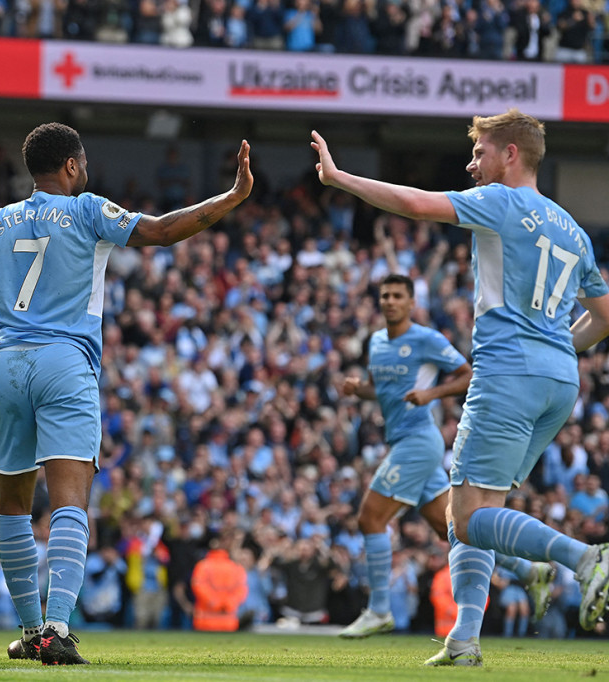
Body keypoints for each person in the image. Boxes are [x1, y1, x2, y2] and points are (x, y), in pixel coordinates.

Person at [0, 122, 253, 664]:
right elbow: (161, 230)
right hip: (65, 363)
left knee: (11, 506)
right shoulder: (87, 210)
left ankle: (31, 630)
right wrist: (233, 196)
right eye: (82, 164)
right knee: (69, 501)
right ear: (71, 166)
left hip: (6, 366)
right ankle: (57, 627)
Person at [312, 108, 609, 666]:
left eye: (480, 153)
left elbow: (416, 203)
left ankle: (586, 559)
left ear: (510, 155)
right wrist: (561, 348)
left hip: (508, 375)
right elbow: (604, 315)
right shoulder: (572, 227)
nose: (472, 164)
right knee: (481, 509)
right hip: (560, 380)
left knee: (466, 516)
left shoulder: (501, 202)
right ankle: (464, 639)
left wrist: (341, 177)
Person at [338, 274, 553, 639]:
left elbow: (467, 375)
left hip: (420, 441)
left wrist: (432, 394)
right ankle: (528, 570)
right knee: (454, 528)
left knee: (371, 519)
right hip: (402, 441)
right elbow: (385, 391)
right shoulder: (376, 342)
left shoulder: (426, 339)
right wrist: (361, 391)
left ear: (410, 302)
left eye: (397, 296)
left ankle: (377, 610)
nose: (389, 301)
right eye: (385, 295)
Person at [191, 535, 248, 632]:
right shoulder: (236, 568)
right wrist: (229, 604)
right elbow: (241, 590)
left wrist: (214, 602)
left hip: (205, 620)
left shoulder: (202, 566)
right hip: (229, 620)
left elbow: (199, 587)